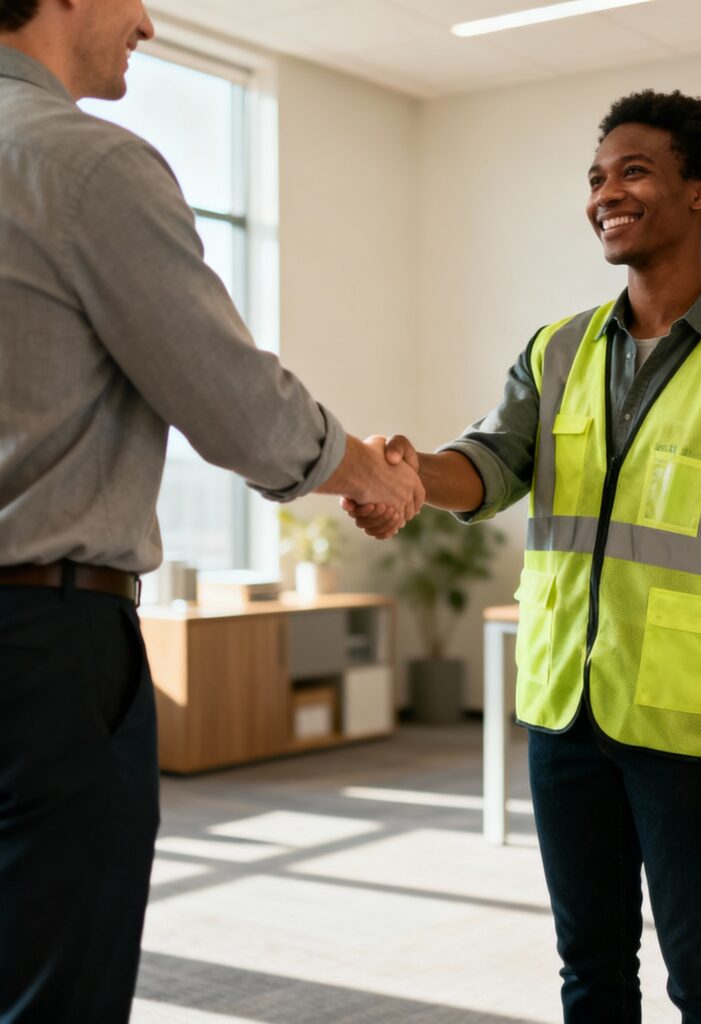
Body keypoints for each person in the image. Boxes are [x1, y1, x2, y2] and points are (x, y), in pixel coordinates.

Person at [347, 89, 701, 1022]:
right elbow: (489, 467)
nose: (605, 193)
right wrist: (407, 474)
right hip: (565, 714)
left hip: (687, 726)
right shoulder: (556, 347)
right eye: (597, 177)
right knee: (590, 967)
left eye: (634, 171)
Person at [0, 1, 422, 1020]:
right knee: (52, 979)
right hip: (37, 649)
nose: (146, 18)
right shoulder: (83, 165)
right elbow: (236, 407)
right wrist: (371, 469)